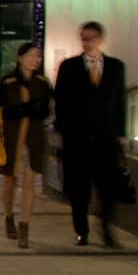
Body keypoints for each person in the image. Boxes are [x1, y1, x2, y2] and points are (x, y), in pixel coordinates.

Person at [54, 20, 128, 247]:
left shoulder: (116, 67)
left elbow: (120, 102)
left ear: (101, 40)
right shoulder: (69, 67)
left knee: (107, 189)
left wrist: (122, 132)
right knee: (79, 190)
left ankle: (106, 230)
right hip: (78, 140)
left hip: (106, 139)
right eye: (84, 39)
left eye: (92, 38)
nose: (87, 43)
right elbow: (61, 102)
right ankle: (82, 231)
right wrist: (65, 132)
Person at [0, 43, 51, 249]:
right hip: (12, 138)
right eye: (30, 55)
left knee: (30, 182)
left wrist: (36, 110)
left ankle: (24, 225)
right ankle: (8, 215)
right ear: (20, 58)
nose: (35, 59)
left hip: (34, 138)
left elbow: (46, 111)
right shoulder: (7, 81)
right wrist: (22, 109)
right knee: (10, 180)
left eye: (38, 56)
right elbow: (0, 111)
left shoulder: (42, 83)